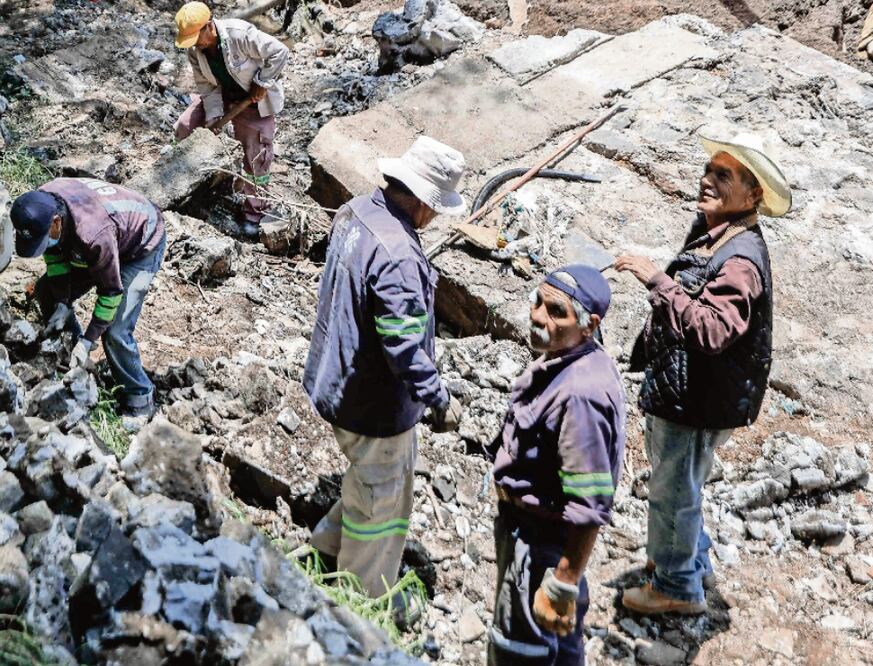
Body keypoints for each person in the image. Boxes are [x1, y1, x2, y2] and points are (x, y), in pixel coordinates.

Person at [615, 130, 791, 615]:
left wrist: (657, 280)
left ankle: (676, 588)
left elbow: (713, 330)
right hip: (692, 392)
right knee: (682, 482)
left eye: (723, 175)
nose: (707, 180)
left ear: (753, 194)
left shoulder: (740, 262)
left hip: (698, 400)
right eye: (709, 170)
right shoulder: (720, 230)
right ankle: (686, 558)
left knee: (673, 490)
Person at [304, 136, 465, 601]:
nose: (434, 219)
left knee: (365, 480)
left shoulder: (357, 210)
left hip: (334, 377)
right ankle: (359, 600)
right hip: (372, 405)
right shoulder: (400, 256)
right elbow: (405, 348)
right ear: (421, 200)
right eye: (436, 207)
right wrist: (439, 398)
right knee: (383, 504)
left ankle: (323, 549)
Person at [485, 266, 625, 666]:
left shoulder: (582, 395)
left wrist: (563, 581)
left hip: (544, 542)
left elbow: (590, 506)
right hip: (531, 532)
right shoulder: (569, 360)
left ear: (589, 325)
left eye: (556, 312)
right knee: (558, 648)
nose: (539, 317)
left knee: (521, 651)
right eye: (537, 302)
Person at [11, 177, 167, 417]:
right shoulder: (41, 205)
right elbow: (54, 256)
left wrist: (89, 339)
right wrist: (63, 302)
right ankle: (74, 364)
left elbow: (111, 292)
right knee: (47, 292)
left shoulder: (93, 234)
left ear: (56, 223)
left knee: (115, 330)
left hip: (140, 243)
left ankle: (139, 398)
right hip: (104, 239)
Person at [173, 1, 289, 238]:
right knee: (185, 126)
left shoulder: (239, 34)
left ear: (209, 26)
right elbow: (206, 87)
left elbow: (280, 52)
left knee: (256, 155)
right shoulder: (196, 52)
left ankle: (254, 211)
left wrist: (262, 82)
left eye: (197, 37)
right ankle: (191, 182)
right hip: (222, 95)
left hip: (253, 101)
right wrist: (215, 118)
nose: (195, 44)